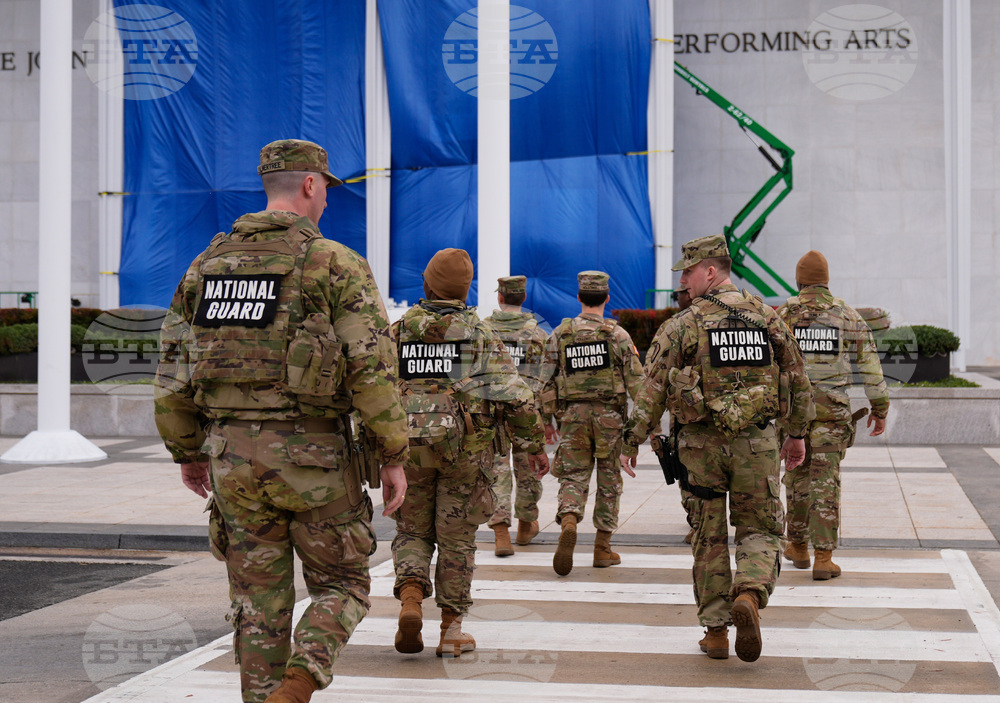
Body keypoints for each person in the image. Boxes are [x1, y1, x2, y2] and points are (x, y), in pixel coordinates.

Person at [154, 139, 409, 703]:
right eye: (326, 192)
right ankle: (300, 679)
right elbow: (372, 370)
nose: (326, 204)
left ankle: (267, 694)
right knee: (343, 583)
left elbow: (174, 368)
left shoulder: (207, 265)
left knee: (256, 604)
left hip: (232, 462)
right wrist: (393, 454)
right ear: (312, 185)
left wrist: (189, 451)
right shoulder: (334, 263)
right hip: (314, 460)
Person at [620, 234, 815, 663]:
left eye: (687, 272)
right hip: (758, 445)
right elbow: (798, 379)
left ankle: (715, 633)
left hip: (699, 450)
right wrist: (797, 433)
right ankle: (748, 592)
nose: (684, 282)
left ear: (711, 271)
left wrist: (632, 439)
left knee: (707, 537)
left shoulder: (681, 325)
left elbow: (651, 389)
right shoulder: (768, 317)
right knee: (761, 529)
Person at [391, 249, 549, 657]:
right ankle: (450, 629)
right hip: (466, 453)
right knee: (457, 539)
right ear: (466, 289)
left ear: (426, 284)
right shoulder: (479, 336)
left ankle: (410, 599)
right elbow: (515, 399)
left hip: (408, 451)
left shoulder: (397, 332)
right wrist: (532, 445)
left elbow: (370, 387)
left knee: (412, 531)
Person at [777, 250, 889, 580]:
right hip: (831, 415)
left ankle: (797, 546)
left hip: (793, 413)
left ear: (799, 281)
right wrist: (879, 407)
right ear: (826, 280)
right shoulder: (846, 315)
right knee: (825, 482)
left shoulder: (785, 313)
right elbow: (870, 366)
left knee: (795, 477)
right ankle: (823, 558)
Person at [540, 271, 644, 576]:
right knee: (610, 481)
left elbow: (544, 381)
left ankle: (570, 519)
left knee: (573, 475)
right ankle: (602, 547)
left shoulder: (561, 334)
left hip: (572, 417)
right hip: (611, 419)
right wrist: (641, 430)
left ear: (579, 298)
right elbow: (638, 385)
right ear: (607, 299)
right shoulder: (618, 336)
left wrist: (547, 421)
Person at [482, 275, 551, 556]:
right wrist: (547, 420)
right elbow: (547, 381)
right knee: (529, 469)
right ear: (523, 298)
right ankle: (525, 525)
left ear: (500, 297)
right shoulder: (538, 335)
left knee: (497, 470)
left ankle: (501, 533)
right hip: (526, 412)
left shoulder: (483, 330)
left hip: (491, 413)